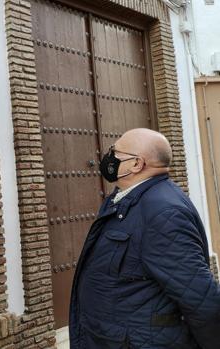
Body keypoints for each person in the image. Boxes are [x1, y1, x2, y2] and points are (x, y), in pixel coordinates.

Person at [69, 128, 220, 348]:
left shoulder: (163, 212)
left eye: (116, 152)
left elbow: (200, 299)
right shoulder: (129, 199)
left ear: (137, 164)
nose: (109, 157)